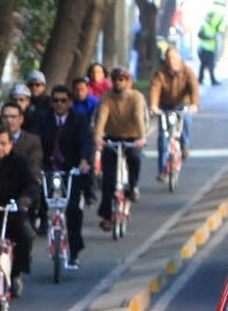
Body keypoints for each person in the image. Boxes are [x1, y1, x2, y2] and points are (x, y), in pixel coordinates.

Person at [0, 125, 42, 293]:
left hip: (13, 211)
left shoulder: (20, 162)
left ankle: (16, 273)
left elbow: (32, 184)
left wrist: (24, 201)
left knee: (25, 235)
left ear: (11, 144)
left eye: (3, 143)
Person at [45, 86, 96, 271]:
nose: (59, 104)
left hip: (71, 170)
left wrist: (83, 161)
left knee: (73, 208)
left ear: (70, 102)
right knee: (40, 201)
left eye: (63, 100)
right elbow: (37, 142)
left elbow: (86, 142)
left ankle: (74, 252)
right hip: (49, 169)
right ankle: (42, 225)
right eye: (56, 100)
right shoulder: (44, 120)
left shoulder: (79, 120)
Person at [93, 65, 148, 224]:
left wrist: (142, 137)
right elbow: (101, 118)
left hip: (132, 137)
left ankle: (133, 186)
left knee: (134, 158)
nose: (118, 83)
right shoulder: (107, 97)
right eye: (115, 79)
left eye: (121, 79)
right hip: (112, 137)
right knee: (108, 180)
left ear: (128, 81)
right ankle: (106, 216)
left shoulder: (136, 97)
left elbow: (139, 117)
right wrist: (98, 137)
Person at [146, 47, 199, 180]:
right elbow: (155, 89)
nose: (171, 61)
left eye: (174, 58)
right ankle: (162, 170)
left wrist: (194, 104)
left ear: (179, 58)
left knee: (186, 119)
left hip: (182, 105)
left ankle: (184, 145)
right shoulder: (160, 73)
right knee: (163, 138)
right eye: (169, 58)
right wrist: (153, 105)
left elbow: (194, 88)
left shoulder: (187, 71)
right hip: (165, 106)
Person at [196, 2, 226, 86]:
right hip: (204, 49)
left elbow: (220, 28)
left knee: (211, 65)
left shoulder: (213, 27)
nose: (210, 19)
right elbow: (200, 35)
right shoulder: (204, 26)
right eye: (209, 17)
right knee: (203, 65)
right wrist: (209, 38)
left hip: (211, 49)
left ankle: (212, 80)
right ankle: (200, 79)